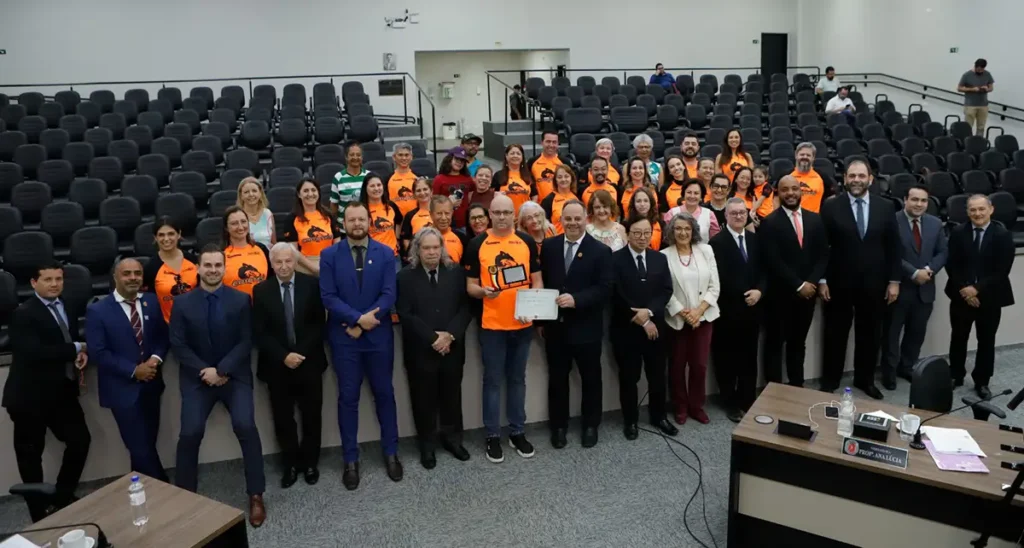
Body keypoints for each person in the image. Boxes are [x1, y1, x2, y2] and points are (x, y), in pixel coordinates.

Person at [170, 245, 265, 527]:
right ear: (198, 268)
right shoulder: (182, 303)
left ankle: (256, 495)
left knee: (246, 426)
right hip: (197, 378)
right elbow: (178, 344)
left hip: (233, 376)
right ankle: (185, 496)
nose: (213, 270)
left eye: (217, 265)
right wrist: (205, 372)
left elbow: (246, 340)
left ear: (225, 268)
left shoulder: (240, 300)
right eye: (208, 265)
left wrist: (222, 370)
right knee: (190, 432)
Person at [320, 201, 402, 489]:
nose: (357, 224)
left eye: (361, 219)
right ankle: (350, 460)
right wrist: (356, 320)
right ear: (343, 223)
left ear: (370, 222)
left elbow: (389, 294)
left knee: (384, 394)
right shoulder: (329, 255)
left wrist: (366, 322)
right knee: (348, 398)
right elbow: (328, 297)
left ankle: (391, 453)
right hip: (345, 338)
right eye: (351, 220)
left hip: (378, 337)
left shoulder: (385, 253)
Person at [3, 261, 90, 521]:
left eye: (58, 279)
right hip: (28, 398)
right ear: (34, 283)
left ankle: (61, 497)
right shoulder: (23, 313)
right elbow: (33, 352)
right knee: (30, 458)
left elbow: (64, 340)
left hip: (62, 393)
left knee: (80, 441)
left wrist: (78, 355)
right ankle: (39, 515)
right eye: (48, 279)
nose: (54, 284)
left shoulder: (68, 305)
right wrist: (77, 348)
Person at [464, 194, 543, 464]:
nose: (501, 217)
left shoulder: (526, 242)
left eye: (506, 213)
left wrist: (533, 305)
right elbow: (470, 286)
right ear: (490, 215)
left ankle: (517, 431)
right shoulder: (477, 244)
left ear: (514, 215)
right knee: (493, 381)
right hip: (492, 326)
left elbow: (537, 280)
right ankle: (492, 435)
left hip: (522, 324)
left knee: (518, 379)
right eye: (496, 212)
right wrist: (483, 292)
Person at [818, 160, 901, 399]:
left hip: (875, 283)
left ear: (870, 179)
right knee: (835, 333)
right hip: (838, 282)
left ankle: (865, 380)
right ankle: (830, 379)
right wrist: (822, 279)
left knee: (870, 334)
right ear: (845, 179)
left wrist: (894, 281)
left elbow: (894, 247)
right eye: (852, 176)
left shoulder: (886, 207)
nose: (856, 180)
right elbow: (822, 247)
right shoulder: (831, 206)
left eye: (861, 176)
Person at [86, 257, 169, 482]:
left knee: (146, 444)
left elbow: (162, 338)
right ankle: (165, 487)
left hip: (151, 385)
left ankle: (142, 489)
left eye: (137, 273)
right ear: (115, 277)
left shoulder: (151, 301)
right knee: (139, 447)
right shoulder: (98, 310)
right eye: (127, 274)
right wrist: (134, 370)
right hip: (121, 390)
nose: (133, 278)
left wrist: (155, 360)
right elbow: (98, 352)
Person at [539, 199, 613, 448]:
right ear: (561, 220)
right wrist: (540, 319)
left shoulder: (600, 251)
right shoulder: (549, 247)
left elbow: (605, 289)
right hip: (555, 329)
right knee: (557, 380)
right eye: (568, 218)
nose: (572, 223)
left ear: (586, 219)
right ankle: (558, 427)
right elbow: (543, 284)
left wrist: (577, 300)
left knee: (591, 379)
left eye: (577, 218)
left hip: (586, 328)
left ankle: (591, 425)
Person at [253, 243, 327, 489]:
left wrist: (299, 353)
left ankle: (310, 463)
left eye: (288, 261)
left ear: (295, 262)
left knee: (311, 415)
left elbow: (318, 324)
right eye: (278, 262)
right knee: (283, 418)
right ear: (271, 264)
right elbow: (260, 332)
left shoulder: (312, 285)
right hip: (277, 366)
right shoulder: (261, 290)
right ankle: (291, 465)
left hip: (309, 362)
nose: (284, 266)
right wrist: (284, 356)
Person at [396, 228, 472, 468]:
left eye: (436, 247)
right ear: (417, 250)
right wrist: (433, 338)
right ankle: (427, 445)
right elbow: (405, 313)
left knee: (452, 396)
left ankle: (453, 439)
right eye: (426, 248)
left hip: (452, 347)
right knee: (423, 399)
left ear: (442, 248)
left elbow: (465, 308)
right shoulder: (405, 276)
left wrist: (449, 335)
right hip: (420, 350)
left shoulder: (456, 272)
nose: (431, 252)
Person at [611, 216, 678, 440]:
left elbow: (666, 290)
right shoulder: (615, 260)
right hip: (625, 329)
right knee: (629, 378)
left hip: (655, 329)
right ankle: (630, 420)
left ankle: (659, 416)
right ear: (627, 234)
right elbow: (615, 294)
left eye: (647, 233)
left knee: (657, 376)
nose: (642, 237)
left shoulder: (659, 258)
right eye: (637, 233)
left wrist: (648, 313)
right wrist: (640, 318)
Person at [759, 175, 828, 388]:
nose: (790, 193)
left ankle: (797, 387)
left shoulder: (815, 219)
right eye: (785, 189)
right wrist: (798, 284)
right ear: (778, 193)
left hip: (807, 296)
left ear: (801, 191)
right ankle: (773, 391)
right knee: (774, 344)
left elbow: (823, 255)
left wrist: (811, 282)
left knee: (798, 344)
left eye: (794, 189)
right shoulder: (770, 222)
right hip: (779, 296)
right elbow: (772, 260)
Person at [945, 194, 1015, 399]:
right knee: (958, 337)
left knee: (986, 340)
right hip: (961, 295)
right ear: (967, 212)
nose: (977, 213)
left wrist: (976, 289)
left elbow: (1002, 270)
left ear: (991, 210)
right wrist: (965, 290)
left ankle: (982, 381)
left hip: (990, 297)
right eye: (973, 210)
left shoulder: (1002, 235)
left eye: (981, 209)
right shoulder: (958, 232)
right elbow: (952, 265)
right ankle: (955, 374)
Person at [882, 184, 948, 388]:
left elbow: (943, 252)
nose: (919, 204)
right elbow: (889, 253)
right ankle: (889, 372)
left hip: (925, 289)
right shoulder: (891, 221)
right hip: (898, 287)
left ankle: (907, 366)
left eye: (923, 200)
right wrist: (913, 272)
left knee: (916, 333)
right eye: (915, 199)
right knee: (891, 334)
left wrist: (929, 270)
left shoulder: (935, 223)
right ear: (905, 200)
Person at [708, 199, 764, 422]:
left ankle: (747, 399)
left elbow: (764, 270)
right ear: (726, 216)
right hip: (728, 311)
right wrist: (743, 293)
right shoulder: (716, 243)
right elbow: (718, 278)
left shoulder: (755, 239)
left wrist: (759, 291)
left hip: (753, 308)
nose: (739, 216)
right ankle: (730, 402)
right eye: (734, 213)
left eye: (742, 212)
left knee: (750, 358)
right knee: (726, 359)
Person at [663, 212, 720, 425]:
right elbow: (664, 290)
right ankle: (680, 406)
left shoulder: (706, 250)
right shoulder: (663, 255)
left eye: (687, 228)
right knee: (677, 366)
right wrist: (683, 313)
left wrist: (698, 312)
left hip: (703, 319)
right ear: (671, 231)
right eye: (678, 228)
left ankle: (696, 406)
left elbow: (715, 286)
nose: (682, 232)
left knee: (699, 366)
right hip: (677, 320)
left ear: (693, 231)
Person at [281, 178, 342, 276]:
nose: (310, 194)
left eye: (313, 190)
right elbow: (293, 251)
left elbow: (337, 244)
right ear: (299, 194)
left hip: (330, 264)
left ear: (318, 193)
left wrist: (329, 264)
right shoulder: (291, 219)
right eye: (306, 191)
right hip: (304, 267)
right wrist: (315, 269)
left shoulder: (328, 215)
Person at [143, 217, 197, 323]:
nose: (166, 239)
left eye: (171, 234)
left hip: (196, 322)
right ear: (155, 237)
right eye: (161, 235)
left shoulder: (193, 260)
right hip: (165, 326)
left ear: (179, 234)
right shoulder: (150, 267)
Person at [221, 206, 273, 298]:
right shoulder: (221, 254)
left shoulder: (261, 249)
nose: (240, 227)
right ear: (226, 228)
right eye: (234, 223)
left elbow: (272, 280)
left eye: (243, 221)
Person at [360, 172, 403, 258]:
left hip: (393, 256)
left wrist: (397, 239)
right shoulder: (361, 209)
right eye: (372, 186)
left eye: (379, 185)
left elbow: (399, 221)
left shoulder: (391, 205)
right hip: (372, 256)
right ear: (365, 189)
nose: (376, 188)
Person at [433, 146, 475, 228]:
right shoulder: (439, 179)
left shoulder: (468, 178)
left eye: (462, 160)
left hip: (465, 223)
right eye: (457, 159)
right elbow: (434, 202)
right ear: (449, 159)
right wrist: (448, 203)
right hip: (445, 222)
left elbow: (472, 196)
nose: (459, 162)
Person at [330, 141, 369, 223]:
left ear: (362, 157)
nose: (355, 157)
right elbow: (334, 204)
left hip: (364, 224)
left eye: (358, 155)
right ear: (346, 157)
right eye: (352, 155)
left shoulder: (369, 176)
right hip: (343, 225)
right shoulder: (338, 177)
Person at [493, 144, 537, 216]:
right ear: (506, 156)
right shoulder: (498, 175)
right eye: (512, 153)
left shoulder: (529, 175)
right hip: (505, 217)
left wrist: (530, 211)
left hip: (524, 217)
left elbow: (534, 196)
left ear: (522, 157)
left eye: (518, 154)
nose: (515, 156)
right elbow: (492, 195)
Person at [423, 195, 468, 263]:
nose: (443, 218)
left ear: (452, 213)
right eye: (439, 213)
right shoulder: (421, 237)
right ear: (431, 214)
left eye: (447, 213)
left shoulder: (461, 238)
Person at [957, 59, 994, 136]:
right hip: (970, 105)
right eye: (979, 70)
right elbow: (959, 88)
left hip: (983, 105)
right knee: (968, 127)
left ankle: (979, 141)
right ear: (975, 66)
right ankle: (967, 141)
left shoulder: (987, 74)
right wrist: (972, 89)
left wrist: (987, 89)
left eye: (982, 70)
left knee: (981, 127)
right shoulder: (967, 75)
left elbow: (991, 88)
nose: (980, 71)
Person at [791, 142, 830, 213]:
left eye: (808, 155)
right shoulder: (786, 175)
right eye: (802, 154)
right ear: (796, 155)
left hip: (814, 218)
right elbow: (776, 197)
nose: (805, 157)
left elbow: (832, 197)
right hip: (791, 217)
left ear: (813, 158)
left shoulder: (822, 176)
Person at [398, 177, 435, 253]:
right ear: (414, 195)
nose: (422, 193)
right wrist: (414, 255)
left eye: (425, 189)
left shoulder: (440, 212)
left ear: (431, 191)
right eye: (418, 190)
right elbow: (406, 240)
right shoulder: (410, 216)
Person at [237, 176, 275, 249]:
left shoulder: (268, 213)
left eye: (254, 191)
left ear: (260, 193)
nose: (251, 194)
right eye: (246, 192)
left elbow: (273, 243)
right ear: (241, 195)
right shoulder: (237, 215)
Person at [541, 164, 579, 234]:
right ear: (555, 180)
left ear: (571, 178)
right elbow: (543, 224)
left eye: (566, 176)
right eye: (560, 177)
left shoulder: (577, 197)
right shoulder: (548, 200)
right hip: (557, 237)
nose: (563, 179)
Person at [528, 130, 564, 202]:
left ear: (558, 144)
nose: (551, 145)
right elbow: (528, 183)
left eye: (554, 142)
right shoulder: (532, 162)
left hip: (560, 203)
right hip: (539, 205)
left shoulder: (565, 162)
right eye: (548, 141)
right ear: (542, 142)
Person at [388, 143, 418, 217]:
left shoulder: (418, 177)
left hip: (415, 218)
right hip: (395, 219)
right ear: (394, 157)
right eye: (400, 155)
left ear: (411, 157)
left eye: (407, 155)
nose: (404, 158)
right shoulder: (387, 179)